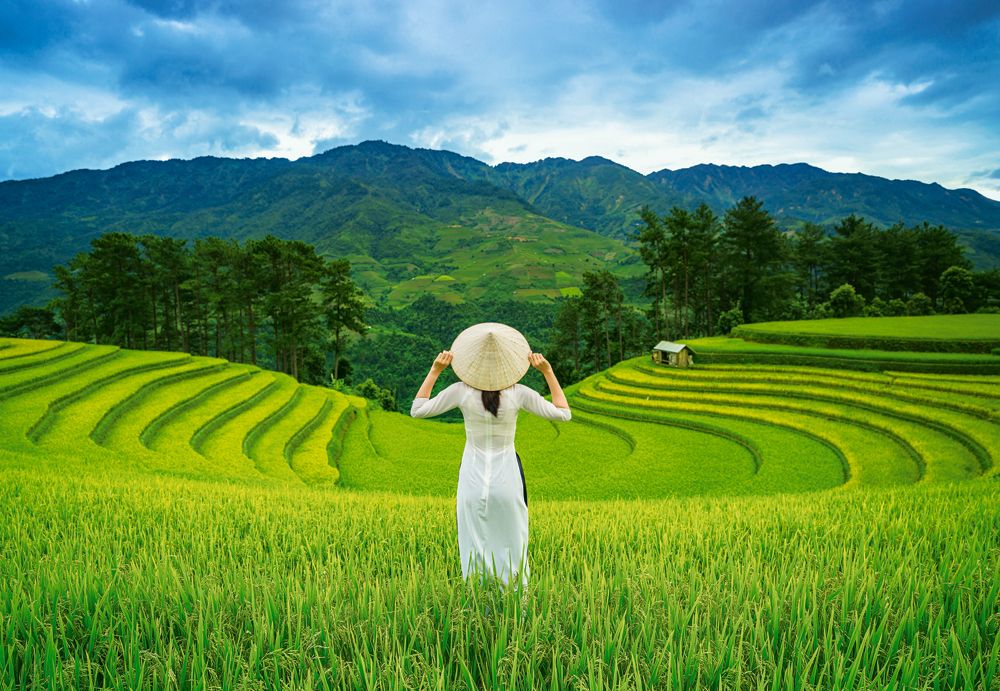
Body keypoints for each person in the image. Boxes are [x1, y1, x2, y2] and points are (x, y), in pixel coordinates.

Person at [410, 322, 571, 590]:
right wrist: (547, 371)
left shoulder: (461, 391)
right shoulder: (518, 394)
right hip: (508, 478)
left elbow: (418, 409)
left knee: (474, 541)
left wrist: (436, 369)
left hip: (471, 479)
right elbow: (564, 413)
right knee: (513, 540)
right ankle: (516, 602)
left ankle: (477, 601)